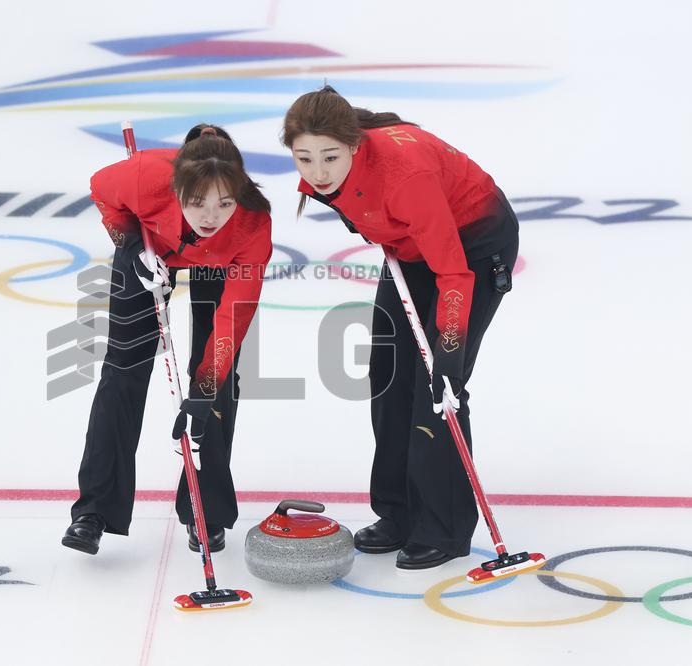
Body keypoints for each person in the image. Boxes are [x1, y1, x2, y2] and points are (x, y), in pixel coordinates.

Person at [281, 86, 519, 570]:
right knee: (388, 374)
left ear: (354, 145)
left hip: (472, 246)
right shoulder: (324, 175)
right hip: (409, 249)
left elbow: (453, 272)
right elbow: (356, 200)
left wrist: (448, 347)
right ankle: (398, 512)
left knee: (436, 387)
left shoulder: (407, 177)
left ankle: (443, 527)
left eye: (329, 157)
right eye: (304, 158)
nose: (318, 172)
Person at [62, 124, 272, 556]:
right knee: (123, 370)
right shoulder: (144, 176)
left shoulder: (252, 223)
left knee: (218, 384)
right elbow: (101, 189)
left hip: (221, 261)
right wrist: (132, 242)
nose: (211, 216)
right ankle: (94, 509)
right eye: (197, 203)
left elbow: (236, 314)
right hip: (151, 248)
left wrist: (204, 389)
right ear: (176, 188)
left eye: (224, 203)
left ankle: (205, 510)